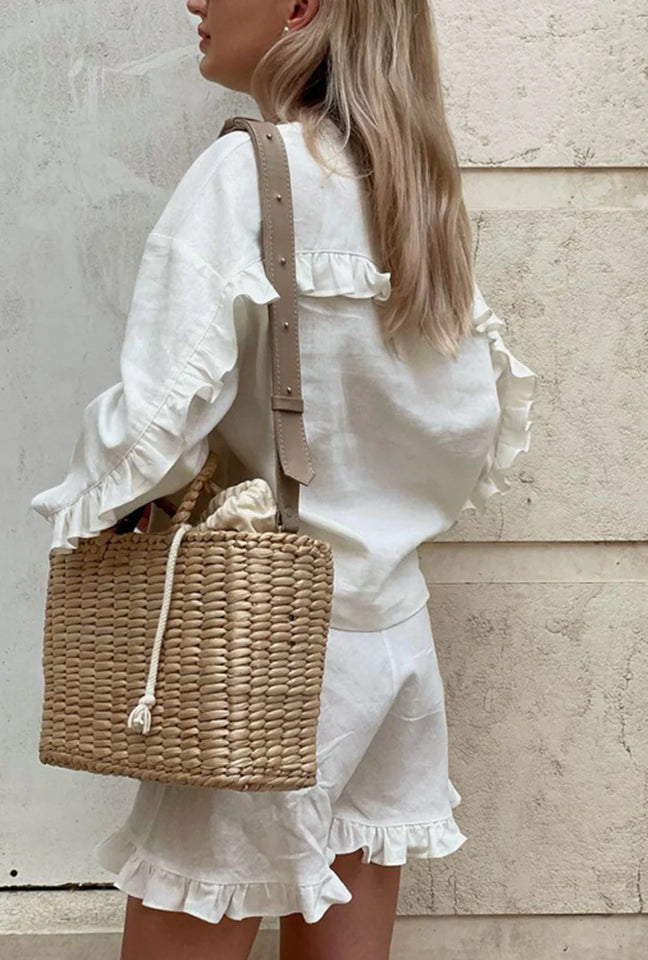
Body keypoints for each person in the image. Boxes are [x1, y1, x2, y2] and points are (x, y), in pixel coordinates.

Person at [30, 0, 538, 957]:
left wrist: (79, 502)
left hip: (266, 651)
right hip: (394, 644)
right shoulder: (415, 191)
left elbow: (153, 429)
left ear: (303, 5)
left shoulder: (247, 172)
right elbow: (468, 424)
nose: (196, 1)